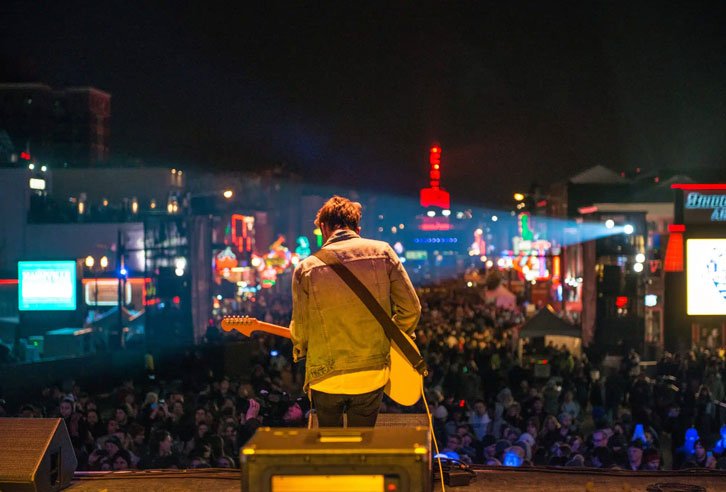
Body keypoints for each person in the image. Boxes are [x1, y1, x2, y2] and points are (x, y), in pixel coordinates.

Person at [290, 196, 421, 427]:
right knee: (361, 440)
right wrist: (390, 337)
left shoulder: (305, 268)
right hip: (371, 373)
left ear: (323, 228)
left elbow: (301, 329)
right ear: (357, 229)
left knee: (329, 443)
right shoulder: (383, 252)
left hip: (325, 376)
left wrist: (301, 349)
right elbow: (411, 308)